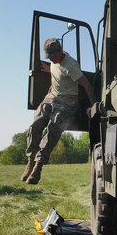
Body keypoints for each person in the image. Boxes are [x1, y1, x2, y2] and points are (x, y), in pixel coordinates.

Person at [21, 37, 94, 184]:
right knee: (35, 125)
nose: (51, 59)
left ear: (59, 52)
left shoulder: (71, 65)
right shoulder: (54, 62)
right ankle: (30, 161)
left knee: (52, 129)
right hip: (52, 95)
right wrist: (48, 69)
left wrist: (94, 106)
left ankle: (38, 166)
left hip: (68, 100)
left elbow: (86, 85)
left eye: (52, 56)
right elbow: (56, 69)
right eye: (48, 57)